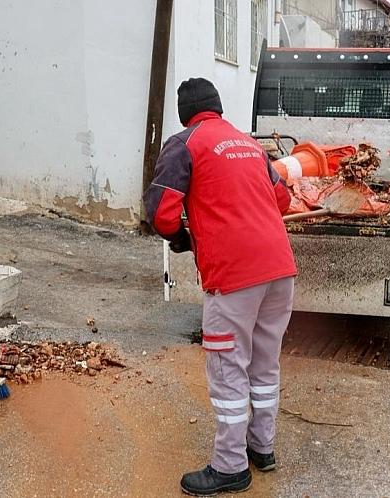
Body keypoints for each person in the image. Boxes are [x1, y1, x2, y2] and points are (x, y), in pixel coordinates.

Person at [143, 77, 297, 496]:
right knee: (263, 364)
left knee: (228, 369)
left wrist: (180, 233)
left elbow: (160, 213)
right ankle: (261, 449)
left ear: (184, 113)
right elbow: (282, 201)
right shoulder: (248, 143)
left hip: (234, 275)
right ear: (219, 106)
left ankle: (230, 467)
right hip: (280, 271)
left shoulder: (185, 143)